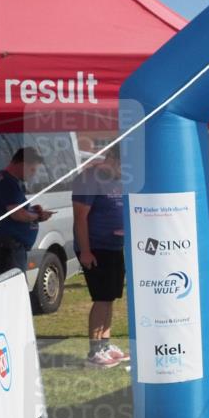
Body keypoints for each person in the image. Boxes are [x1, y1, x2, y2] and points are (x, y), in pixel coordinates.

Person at [72, 146, 128, 368]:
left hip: (114, 246)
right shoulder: (88, 178)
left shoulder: (117, 180)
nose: (124, 170)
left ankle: (105, 344)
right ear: (111, 157)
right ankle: (94, 351)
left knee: (110, 298)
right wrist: (85, 251)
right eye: (123, 164)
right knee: (102, 299)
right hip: (96, 248)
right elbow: (80, 217)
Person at [0, 147, 54, 276]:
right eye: (32, 169)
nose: (33, 174)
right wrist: (38, 216)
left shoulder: (8, 180)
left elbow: (14, 209)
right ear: (23, 164)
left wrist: (31, 210)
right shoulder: (7, 182)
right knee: (14, 283)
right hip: (9, 247)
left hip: (10, 246)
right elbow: (17, 214)